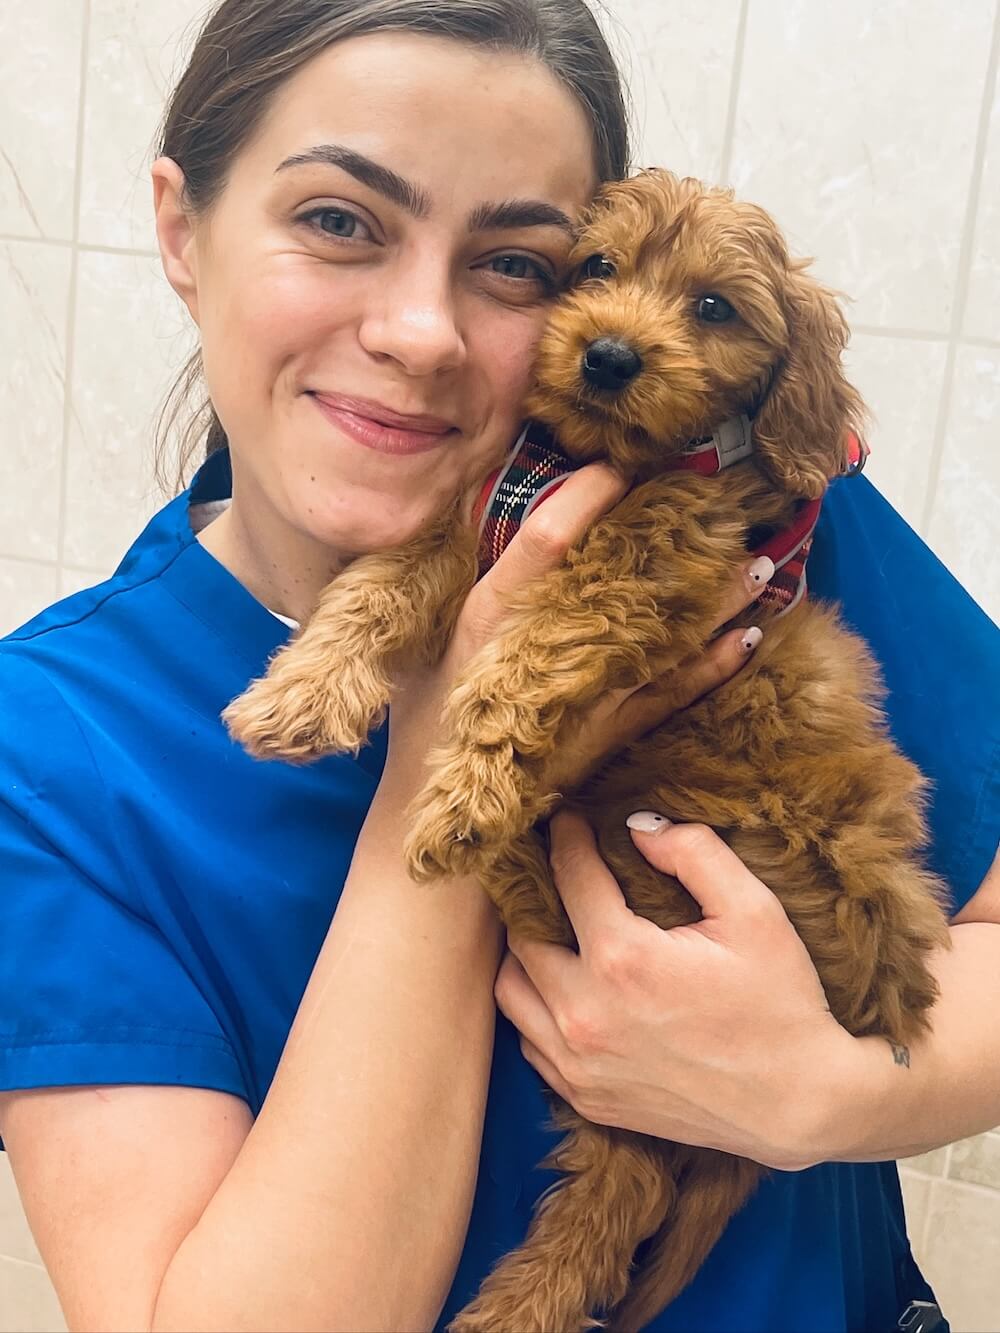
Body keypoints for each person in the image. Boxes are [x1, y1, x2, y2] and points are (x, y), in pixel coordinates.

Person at [0, 1, 996, 1330]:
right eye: (340, 221)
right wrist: (436, 766)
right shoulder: (51, 750)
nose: (422, 331)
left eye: (520, 263)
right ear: (184, 228)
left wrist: (846, 1088)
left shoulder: (768, 514)